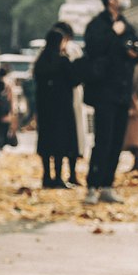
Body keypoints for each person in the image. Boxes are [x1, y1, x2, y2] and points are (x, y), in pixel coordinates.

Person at [82, 0, 138, 205]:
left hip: (122, 92)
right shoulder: (97, 25)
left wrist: (135, 51)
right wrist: (111, 34)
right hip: (103, 92)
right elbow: (94, 49)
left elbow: (137, 47)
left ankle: (108, 184)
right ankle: (92, 184)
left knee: (117, 141)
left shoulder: (127, 25)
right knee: (103, 140)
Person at [32, 26, 80, 187]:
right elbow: (74, 80)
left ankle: (46, 176)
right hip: (62, 107)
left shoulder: (40, 62)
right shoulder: (63, 60)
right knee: (60, 142)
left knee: (46, 142)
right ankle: (58, 177)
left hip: (45, 108)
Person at [53, 21, 86, 185]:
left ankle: (72, 173)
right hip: (64, 100)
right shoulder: (54, 52)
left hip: (72, 98)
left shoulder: (73, 50)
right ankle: (66, 174)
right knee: (68, 137)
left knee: (74, 137)